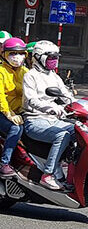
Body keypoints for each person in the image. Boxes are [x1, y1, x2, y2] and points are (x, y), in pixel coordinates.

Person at [22, 40, 75, 191]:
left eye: (56, 57)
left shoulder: (54, 76)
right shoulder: (31, 76)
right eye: (51, 57)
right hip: (35, 120)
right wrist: (50, 107)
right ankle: (48, 174)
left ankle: (69, 171)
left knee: (79, 131)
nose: (54, 61)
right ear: (39, 57)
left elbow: (66, 95)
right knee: (63, 135)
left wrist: (80, 105)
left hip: (53, 119)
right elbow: (31, 100)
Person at [0, 37, 28, 178]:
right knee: (15, 127)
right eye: (12, 53)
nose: (17, 57)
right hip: (3, 112)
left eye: (21, 53)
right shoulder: (1, 71)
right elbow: (1, 97)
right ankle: (4, 162)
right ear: (4, 55)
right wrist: (9, 114)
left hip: (20, 111)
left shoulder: (25, 72)